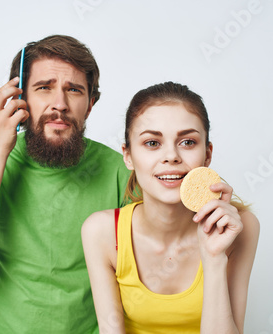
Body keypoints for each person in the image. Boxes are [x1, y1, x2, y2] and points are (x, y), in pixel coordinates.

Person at [0, 35, 130, 333]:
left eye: (73, 90)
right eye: (44, 88)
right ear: (20, 98)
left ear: (89, 104)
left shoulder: (121, 170)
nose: (59, 104)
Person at [82, 82, 260, 333]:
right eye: (152, 143)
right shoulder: (102, 232)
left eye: (187, 142)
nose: (171, 156)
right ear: (128, 156)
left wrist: (213, 257)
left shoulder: (239, 228)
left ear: (207, 155)